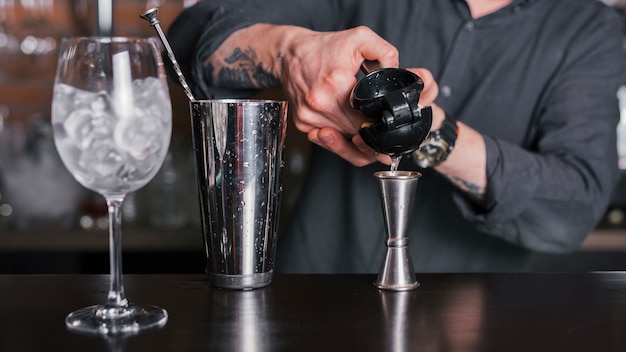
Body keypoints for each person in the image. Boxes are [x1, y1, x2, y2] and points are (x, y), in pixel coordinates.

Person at [168, 0, 625, 273]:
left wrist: (431, 131)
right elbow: (188, 41)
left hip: (470, 325)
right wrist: (288, 52)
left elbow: (573, 207)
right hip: (307, 299)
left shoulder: (590, 29)